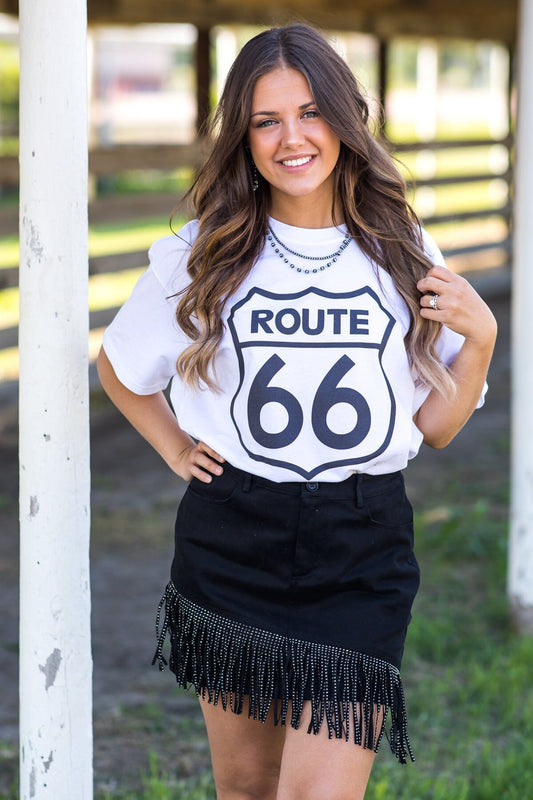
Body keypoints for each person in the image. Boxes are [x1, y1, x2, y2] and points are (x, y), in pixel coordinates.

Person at [97, 23, 497, 800]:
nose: (291, 139)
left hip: (360, 546)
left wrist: (478, 340)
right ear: (241, 137)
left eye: (310, 112)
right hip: (232, 537)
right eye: (265, 120)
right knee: (246, 788)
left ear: (345, 119)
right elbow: (119, 366)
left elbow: (436, 427)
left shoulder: (401, 249)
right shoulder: (204, 253)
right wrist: (176, 448)